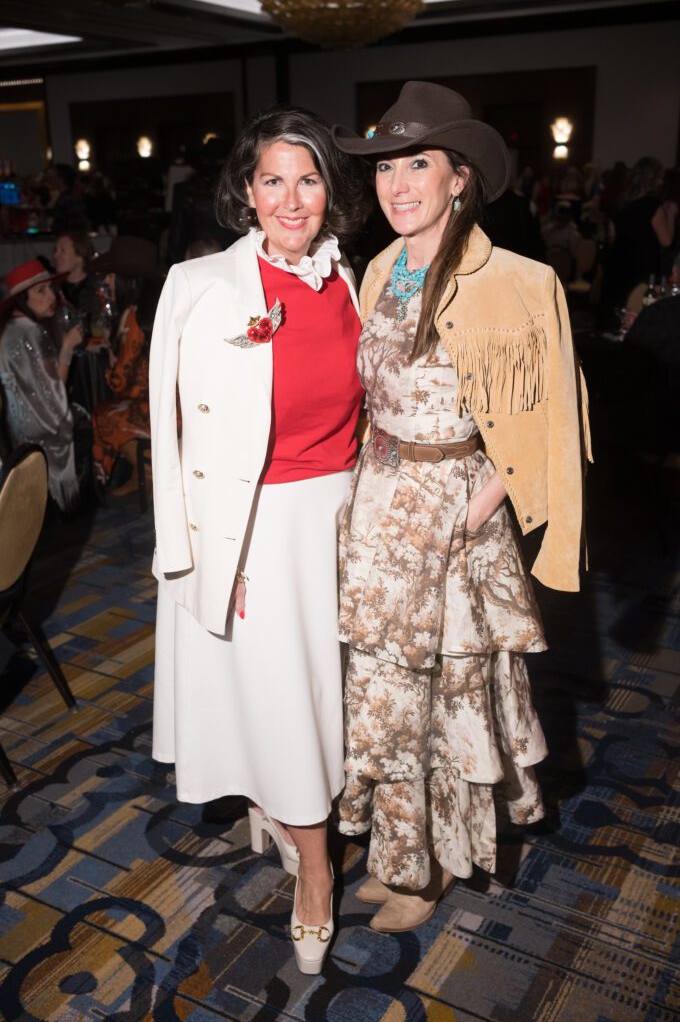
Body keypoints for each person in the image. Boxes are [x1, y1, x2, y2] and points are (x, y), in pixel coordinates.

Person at [331, 81, 592, 932]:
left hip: (453, 516)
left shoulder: (518, 281)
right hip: (378, 511)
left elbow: (554, 420)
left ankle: (433, 872)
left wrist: (476, 509)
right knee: (381, 698)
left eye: (420, 164)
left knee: (446, 701)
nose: (398, 183)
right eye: (387, 167)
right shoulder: (377, 268)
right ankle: (398, 856)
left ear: (459, 177)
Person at [150, 106, 370, 974]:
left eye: (308, 179)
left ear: (329, 193)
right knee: (288, 702)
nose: (291, 198)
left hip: (344, 519)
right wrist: (201, 554)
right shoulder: (197, 285)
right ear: (246, 191)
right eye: (273, 179)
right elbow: (170, 437)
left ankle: (279, 813)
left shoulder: (353, 280)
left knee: (332, 701)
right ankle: (317, 874)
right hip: (254, 524)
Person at [0, 261, 83, 511]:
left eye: (51, 288)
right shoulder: (32, 332)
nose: (51, 296)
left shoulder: (9, 330)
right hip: (40, 434)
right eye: (41, 291)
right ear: (22, 300)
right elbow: (54, 389)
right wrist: (68, 347)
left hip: (12, 432)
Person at [89, 237, 160, 493]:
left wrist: (110, 359)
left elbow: (119, 382)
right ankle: (139, 472)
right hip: (169, 402)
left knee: (102, 414)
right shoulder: (152, 308)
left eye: (110, 276)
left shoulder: (132, 316)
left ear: (125, 279)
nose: (106, 282)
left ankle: (149, 472)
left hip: (157, 409)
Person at [605, 156, 678, 307]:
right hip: (642, 271)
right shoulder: (652, 206)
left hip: (618, 268)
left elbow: (611, 238)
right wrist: (671, 216)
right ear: (655, 180)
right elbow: (666, 241)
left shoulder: (620, 204)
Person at [53, 231, 101, 327]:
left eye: (62, 250)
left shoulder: (97, 290)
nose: (55, 255)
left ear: (80, 256)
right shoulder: (52, 291)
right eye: (55, 250)